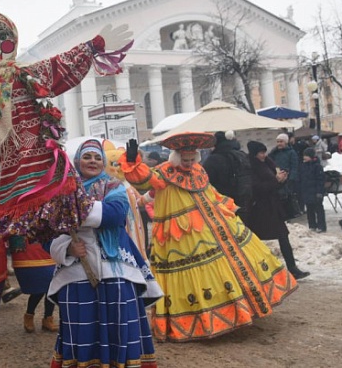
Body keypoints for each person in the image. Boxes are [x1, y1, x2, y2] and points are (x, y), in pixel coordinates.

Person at [120, 134, 298, 342]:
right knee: (193, 271)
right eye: (184, 160)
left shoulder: (199, 171)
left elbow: (211, 193)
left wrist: (229, 206)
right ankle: (200, 320)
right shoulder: (165, 172)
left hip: (209, 225)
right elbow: (144, 179)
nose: (188, 164)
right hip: (181, 233)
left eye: (191, 159)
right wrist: (133, 162)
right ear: (176, 158)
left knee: (226, 266)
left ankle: (236, 311)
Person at [48, 139, 161, 366]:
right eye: (87, 156)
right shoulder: (61, 190)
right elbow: (48, 230)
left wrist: (70, 212)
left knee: (119, 324)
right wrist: (67, 248)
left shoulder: (114, 186)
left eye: (97, 157)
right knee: (83, 326)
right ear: (77, 161)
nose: (93, 161)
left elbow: (115, 214)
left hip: (116, 268)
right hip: (76, 271)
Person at [247, 141, 310, 279]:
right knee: (255, 240)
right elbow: (257, 188)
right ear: (254, 153)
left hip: (273, 207)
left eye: (264, 152)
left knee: (283, 235)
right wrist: (276, 181)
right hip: (259, 209)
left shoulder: (268, 163)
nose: (263, 155)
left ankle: (292, 268)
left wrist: (282, 180)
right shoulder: (251, 166)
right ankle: (258, 268)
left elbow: (273, 184)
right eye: (261, 153)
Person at [9, 236, 57, 334]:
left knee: (52, 287)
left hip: (47, 248)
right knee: (38, 288)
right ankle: (29, 315)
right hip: (29, 249)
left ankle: (48, 318)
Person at [203, 130, 252, 222]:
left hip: (222, 203)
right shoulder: (240, 155)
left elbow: (204, 181)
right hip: (243, 200)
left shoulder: (213, 160)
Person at [268, 133, 301, 219]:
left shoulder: (291, 152)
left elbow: (294, 166)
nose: (279, 143)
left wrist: (291, 179)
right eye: (278, 141)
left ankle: (288, 216)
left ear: (286, 142)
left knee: (287, 199)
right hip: (277, 178)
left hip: (287, 179)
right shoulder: (274, 152)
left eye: (281, 141)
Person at [298, 148, 326, 233]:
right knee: (309, 209)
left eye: (306, 155)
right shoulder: (303, 166)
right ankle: (312, 225)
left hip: (316, 191)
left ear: (311, 156)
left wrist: (319, 192)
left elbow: (320, 180)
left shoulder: (317, 166)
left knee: (318, 209)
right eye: (304, 155)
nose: (304, 157)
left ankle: (321, 226)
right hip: (307, 191)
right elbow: (301, 179)